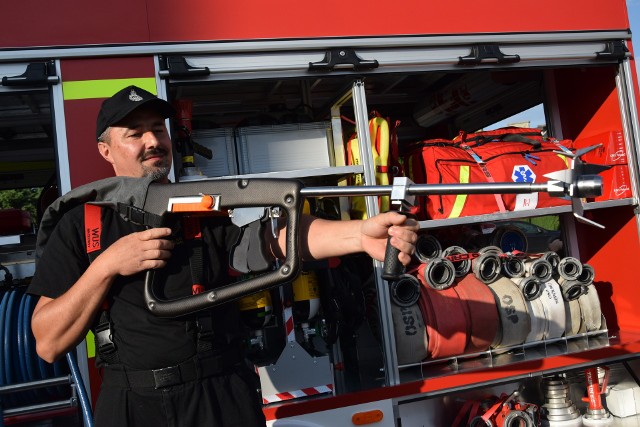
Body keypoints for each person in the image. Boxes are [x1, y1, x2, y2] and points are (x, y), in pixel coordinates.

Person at [27, 86, 419, 427]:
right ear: (105, 150)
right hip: (133, 403)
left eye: (157, 129)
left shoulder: (198, 210)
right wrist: (108, 264)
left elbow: (272, 241)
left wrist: (360, 235)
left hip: (221, 395)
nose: (152, 140)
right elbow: (47, 342)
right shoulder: (81, 225)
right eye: (135, 133)